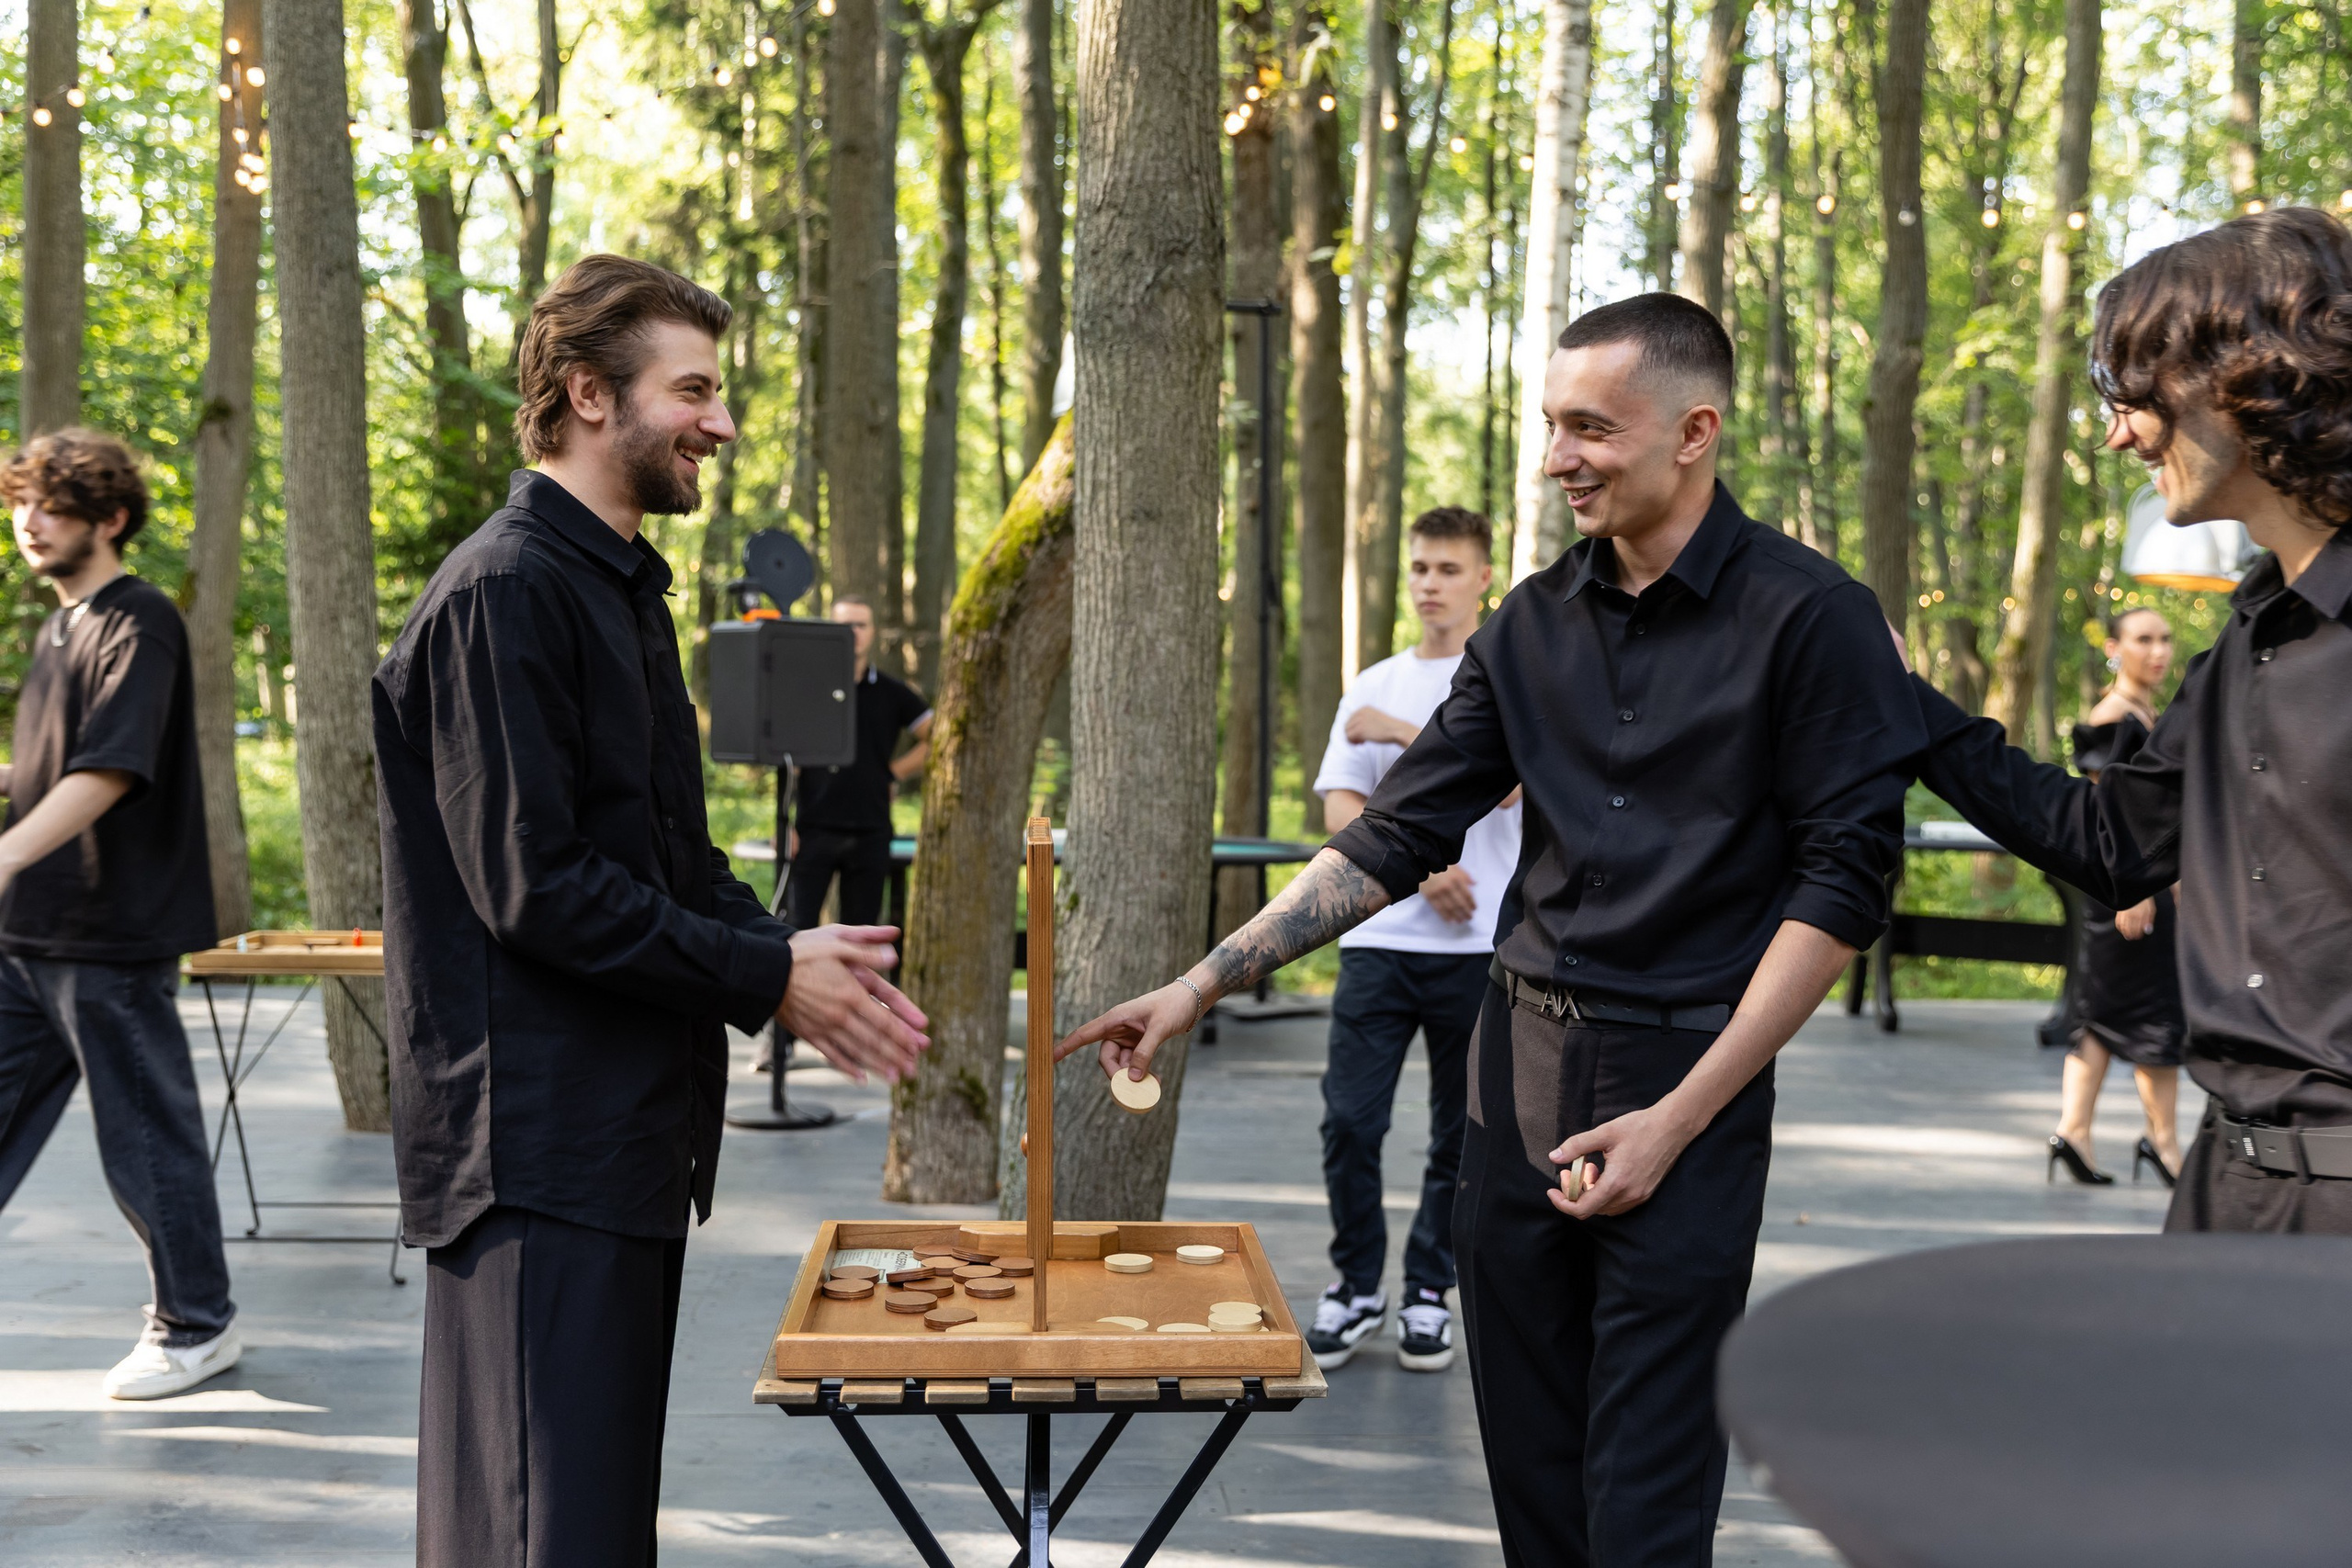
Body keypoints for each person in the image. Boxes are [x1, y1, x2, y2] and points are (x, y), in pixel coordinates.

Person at [1059, 293, 1922, 1568]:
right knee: (1534, 1491)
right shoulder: (1528, 624)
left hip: (1687, 1088)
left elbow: (1843, 886)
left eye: (1591, 425)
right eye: (1550, 424)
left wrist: (1677, 1117)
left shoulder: (1813, 617)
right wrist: (1199, 983)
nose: (1558, 453)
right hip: (1511, 1084)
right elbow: (1398, 832)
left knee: (1643, 1507)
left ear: (1695, 431)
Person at [373, 254, 929, 1568]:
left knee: (591, 1522)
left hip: (620, 1141)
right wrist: (761, 974)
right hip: (534, 1154)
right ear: (585, 395)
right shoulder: (505, 591)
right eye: (695, 390)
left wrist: (787, 948)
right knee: (536, 1527)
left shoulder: (621, 588)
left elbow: (670, 855)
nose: (721, 422)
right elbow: (535, 886)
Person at [1903, 206, 2352, 1235]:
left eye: (2138, 394)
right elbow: (2110, 843)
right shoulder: (2245, 639)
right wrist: (1903, 706)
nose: (2118, 431)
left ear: (2251, 374)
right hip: (2221, 1187)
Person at [0, 429, 233, 1400]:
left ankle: (195, 1326)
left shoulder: (139, 622)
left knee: (145, 1138)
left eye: (52, 506)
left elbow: (110, 769)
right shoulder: (58, 629)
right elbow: (58, 767)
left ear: (111, 519)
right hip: (25, 937)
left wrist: (5, 851)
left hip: (109, 937)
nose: (29, 521)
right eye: (23, 504)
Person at [1307, 506, 1522, 1372]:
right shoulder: (1371, 682)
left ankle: (1429, 1289)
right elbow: (1339, 808)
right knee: (1349, 1122)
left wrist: (1402, 736)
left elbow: (1508, 790)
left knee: (1458, 1134)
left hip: (1479, 949)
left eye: (1448, 568)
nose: (1430, 583)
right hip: (1378, 937)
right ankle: (1358, 1283)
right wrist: (1423, 870)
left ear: (1482, 580)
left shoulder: (1509, 677)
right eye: (1420, 567)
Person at [2046, 607, 2186, 1188]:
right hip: (2130, 893)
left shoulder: (2143, 712)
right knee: (2156, 1016)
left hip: (2136, 889)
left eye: (2164, 639)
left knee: (2101, 1015)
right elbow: (2112, 817)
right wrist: (2138, 892)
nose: (2157, 651)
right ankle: (2166, 1144)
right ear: (2114, 648)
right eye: (2142, 639)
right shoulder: (2113, 718)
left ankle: (2073, 1133)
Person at [782, 593, 931, 932]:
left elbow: (938, 737)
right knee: (795, 933)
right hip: (812, 832)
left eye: (860, 624)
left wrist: (894, 773)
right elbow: (788, 762)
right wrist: (783, 823)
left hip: (871, 832)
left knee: (861, 940)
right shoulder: (809, 690)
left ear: (873, 631)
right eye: (844, 625)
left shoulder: (892, 692)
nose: (853, 632)